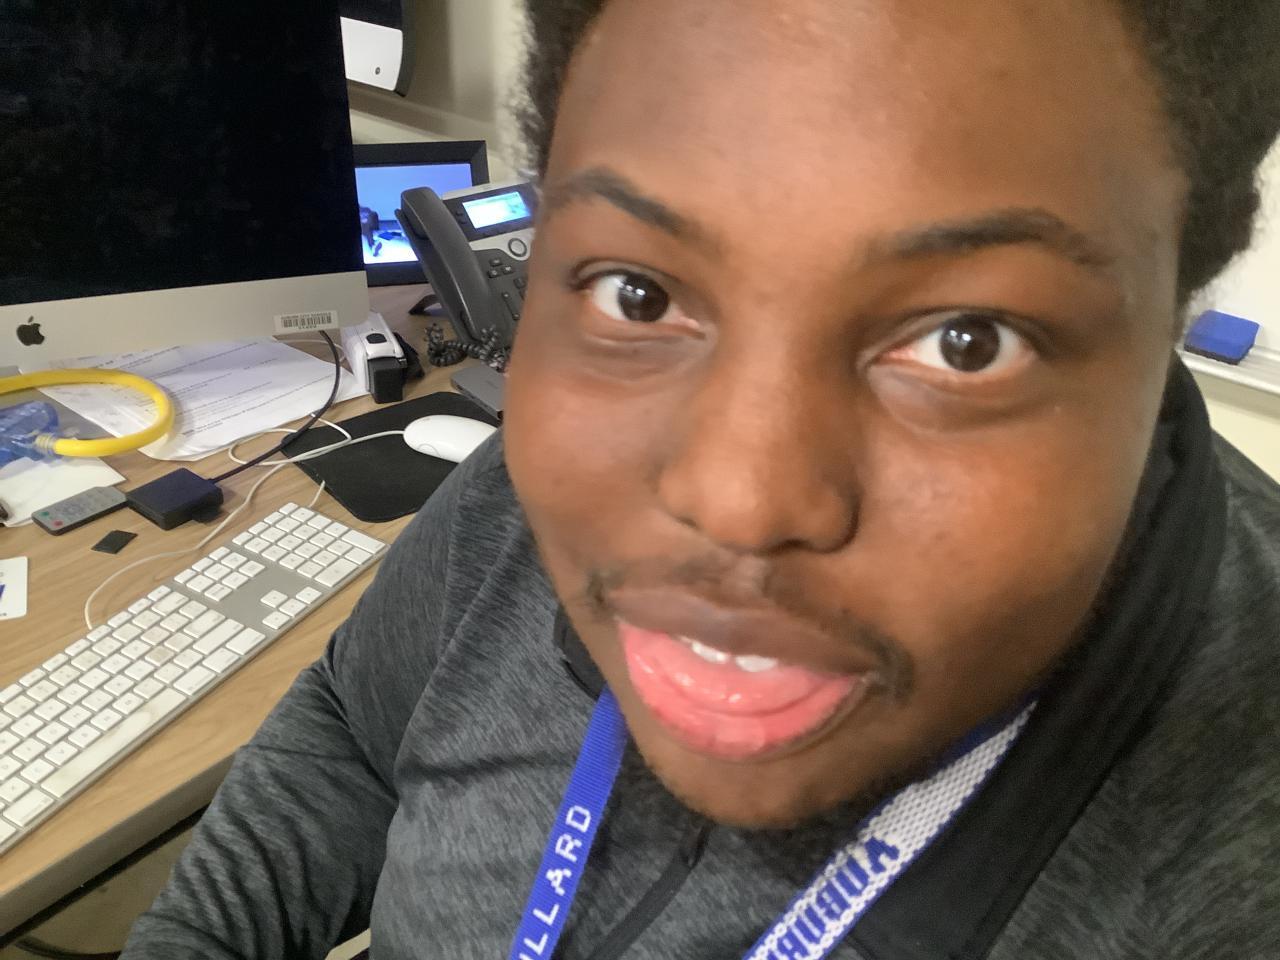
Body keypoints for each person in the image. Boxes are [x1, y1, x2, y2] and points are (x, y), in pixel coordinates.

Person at [122, 1, 1280, 957]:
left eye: (966, 342)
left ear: (1170, 319)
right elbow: (352, 735)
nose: (735, 504)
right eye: (637, 293)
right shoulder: (531, 494)